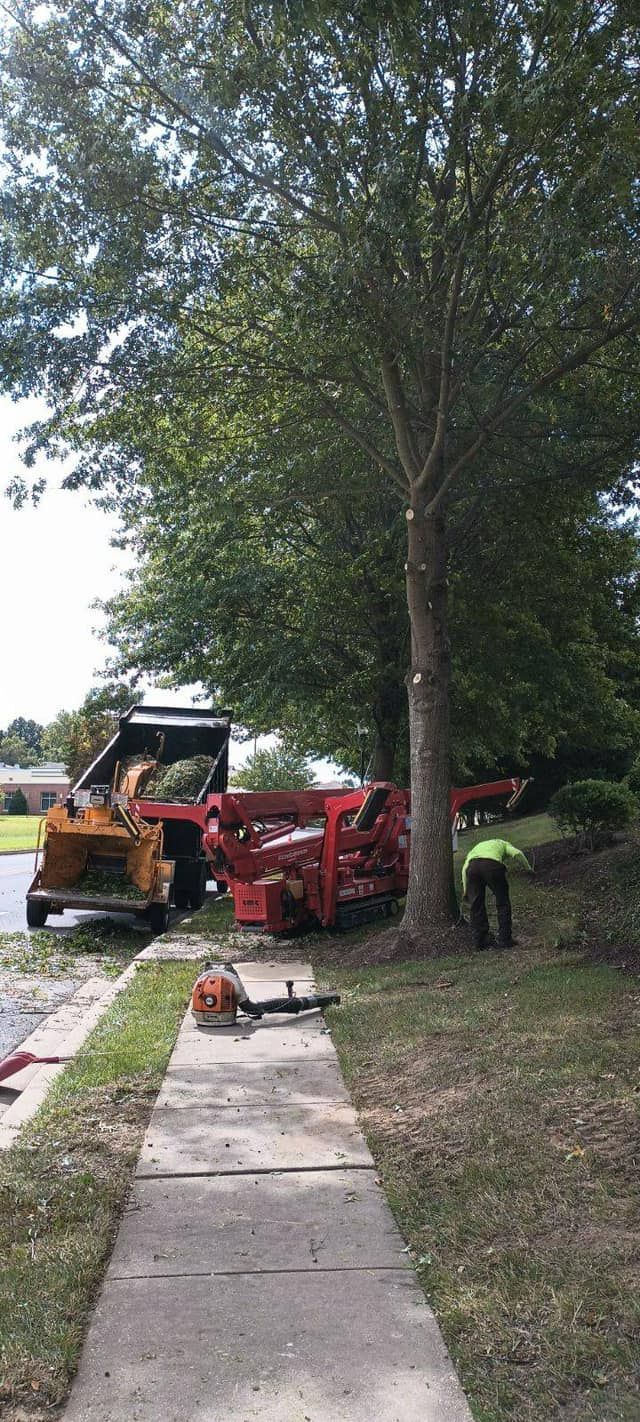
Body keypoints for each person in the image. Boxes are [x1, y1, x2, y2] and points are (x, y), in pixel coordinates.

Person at [461, 838, 533, 950]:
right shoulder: (504, 844)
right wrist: (529, 869)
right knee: (502, 901)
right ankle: (505, 939)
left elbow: (464, 868)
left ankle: (480, 941)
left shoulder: (477, 848)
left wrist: (466, 891)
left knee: (476, 905)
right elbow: (517, 853)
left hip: (472, 867)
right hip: (492, 866)